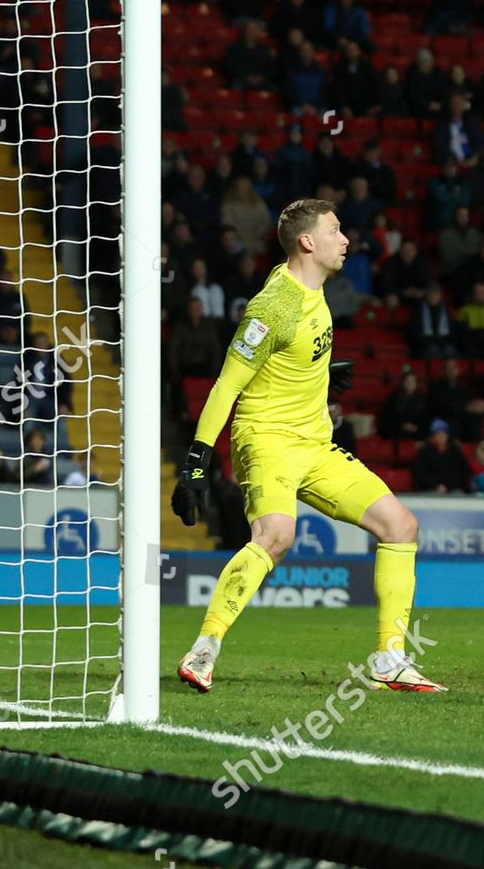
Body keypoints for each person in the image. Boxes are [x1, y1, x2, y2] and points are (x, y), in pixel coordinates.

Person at [169, 199, 444, 694]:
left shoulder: (314, 290)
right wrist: (196, 459)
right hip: (268, 439)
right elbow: (227, 385)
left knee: (401, 526)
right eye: (336, 231)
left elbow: (292, 356)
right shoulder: (273, 307)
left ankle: (389, 659)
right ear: (308, 242)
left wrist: (318, 376)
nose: (346, 240)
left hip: (315, 444)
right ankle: (204, 649)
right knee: (275, 536)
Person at [412, 419, 473, 494]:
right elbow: (420, 473)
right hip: (430, 489)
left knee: (459, 495)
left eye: (443, 433)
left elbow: (463, 471)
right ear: (433, 436)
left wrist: (449, 486)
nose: (441, 436)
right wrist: (436, 485)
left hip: (454, 489)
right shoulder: (424, 451)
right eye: (437, 433)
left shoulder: (455, 451)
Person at [379, 370, 429, 440]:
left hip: (416, 429)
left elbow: (425, 417)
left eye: (412, 381)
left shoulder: (423, 398)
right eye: (408, 381)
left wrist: (416, 427)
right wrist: (402, 425)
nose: (410, 384)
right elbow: (389, 416)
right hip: (398, 428)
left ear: (416, 383)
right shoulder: (394, 397)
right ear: (403, 382)